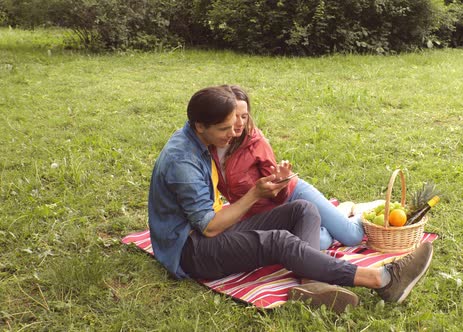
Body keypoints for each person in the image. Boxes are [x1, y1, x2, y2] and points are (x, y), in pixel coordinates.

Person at [148, 85, 434, 313]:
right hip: (191, 250)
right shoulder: (183, 162)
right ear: (200, 126)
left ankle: (311, 283)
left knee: (304, 210)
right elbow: (208, 227)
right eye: (224, 129)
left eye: (234, 125)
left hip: (208, 231)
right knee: (278, 241)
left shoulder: (199, 138)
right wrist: (254, 194)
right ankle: (382, 279)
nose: (231, 134)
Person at [211, 85, 364, 250]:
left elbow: (276, 195)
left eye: (245, 116)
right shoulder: (210, 145)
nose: (240, 123)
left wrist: (281, 181)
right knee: (321, 242)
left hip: (292, 195)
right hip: (264, 216)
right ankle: (336, 216)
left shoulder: (256, 143)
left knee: (352, 236)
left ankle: (361, 214)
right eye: (235, 117)